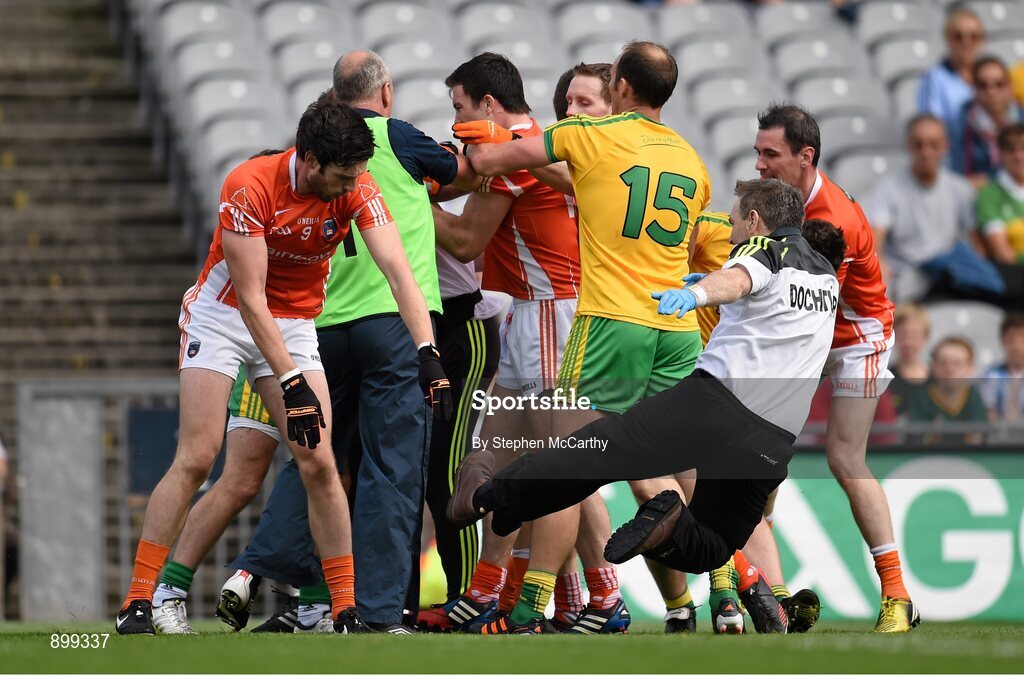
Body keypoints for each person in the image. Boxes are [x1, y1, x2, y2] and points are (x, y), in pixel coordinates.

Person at [447, 178, 843, 636]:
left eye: (735, 221)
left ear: (756, 220)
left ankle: (483, 497)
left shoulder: (762, 248)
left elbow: (737, 278)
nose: (732, 233)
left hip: (718, 406)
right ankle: (668, 521)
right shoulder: (825, 275)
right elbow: (768, 309)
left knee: (595, 451)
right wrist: (719, 290)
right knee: (713, 546)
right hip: (773, 441)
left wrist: (696, 294)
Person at [114, 97, 448, 635]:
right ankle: (139, 602)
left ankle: (344, 611)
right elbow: (249, 297)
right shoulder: (249, 185)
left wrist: (427, 352)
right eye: (342, 175)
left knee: (318, 461)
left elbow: (398, 272)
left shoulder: (358, 185)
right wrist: (291, 383)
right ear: (311, 159)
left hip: (293, 323)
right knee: (200, 456)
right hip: (223, 317)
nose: (351, 185)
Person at [451, 40, 711, 634]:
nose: (571, 110)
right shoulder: (691, 159)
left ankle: (531, 602)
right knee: (603, 461)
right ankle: (715, 585)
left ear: (620, 88)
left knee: (571, 464)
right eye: (566, 101)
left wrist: (451, 147)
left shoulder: (592, 140)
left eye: (585, 98)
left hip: (596, 319)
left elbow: (494, 167)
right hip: (670, 325)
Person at [430, 53, 629, 635]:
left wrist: (400, 201)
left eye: (461, 107)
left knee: (558, 468)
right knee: (507, 460)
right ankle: (517, 592)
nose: (458, 118)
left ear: (488, 105)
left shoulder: (520, 145)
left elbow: (465, 240)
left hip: (553, 316)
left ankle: (539, 600)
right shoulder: (537, 149)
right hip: (531, 316)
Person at [752, 103, 919, 632]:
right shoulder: (782, 200)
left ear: (806, 156)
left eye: (770, 154)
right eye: (757, 152)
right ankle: (771, 591)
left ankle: (897, 595)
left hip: (855, 335)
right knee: (762, 456)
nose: (759, 165)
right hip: (811, 329)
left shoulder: (831, 219)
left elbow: (815, 302)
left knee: (845, 458)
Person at [868, 114, 978, 303]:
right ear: (909, 146)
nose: (926, 152)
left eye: (933, 145)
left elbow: (976, 241)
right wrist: (881, 265)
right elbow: (875, 240)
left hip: (948, 273)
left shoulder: (960, 189)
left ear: (945, 146)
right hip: (907, 274)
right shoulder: (889, 188)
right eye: (919, 144)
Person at [904, 338, 989, 446]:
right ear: (933, 366)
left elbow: (981, 436)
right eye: (943, 363)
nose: (950, 369)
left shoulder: (974, 396)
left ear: (970, 367)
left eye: (957, 363)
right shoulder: (921, 398)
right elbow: (914, 440)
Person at [917, 6, 986, 137]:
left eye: (973, 36)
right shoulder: (934, 78)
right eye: (958, 36)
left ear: (982, 40)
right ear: (947, 38)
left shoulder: (990, 80)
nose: (966, 42)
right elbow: (932, 130)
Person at [954, 56, 1024, 185]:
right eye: (983, 85)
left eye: (999, 84)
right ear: (974, 88)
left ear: (1010, 86)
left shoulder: (1021, 117)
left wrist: (989, 179)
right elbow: (957, 174)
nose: (991, 91)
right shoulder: (961, 123)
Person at [979, 314, 1024, 438]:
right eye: (1011, 340)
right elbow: (989, 410)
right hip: (1000, 439)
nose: (1017, 346)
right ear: (1002, 342)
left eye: (1022, 339)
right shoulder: (990, 375)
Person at [888, 304, 931, 415]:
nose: (908, 343)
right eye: (903, 334)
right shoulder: (885, 381)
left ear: (925, 337)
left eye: (915, 335)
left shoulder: (938, 380)